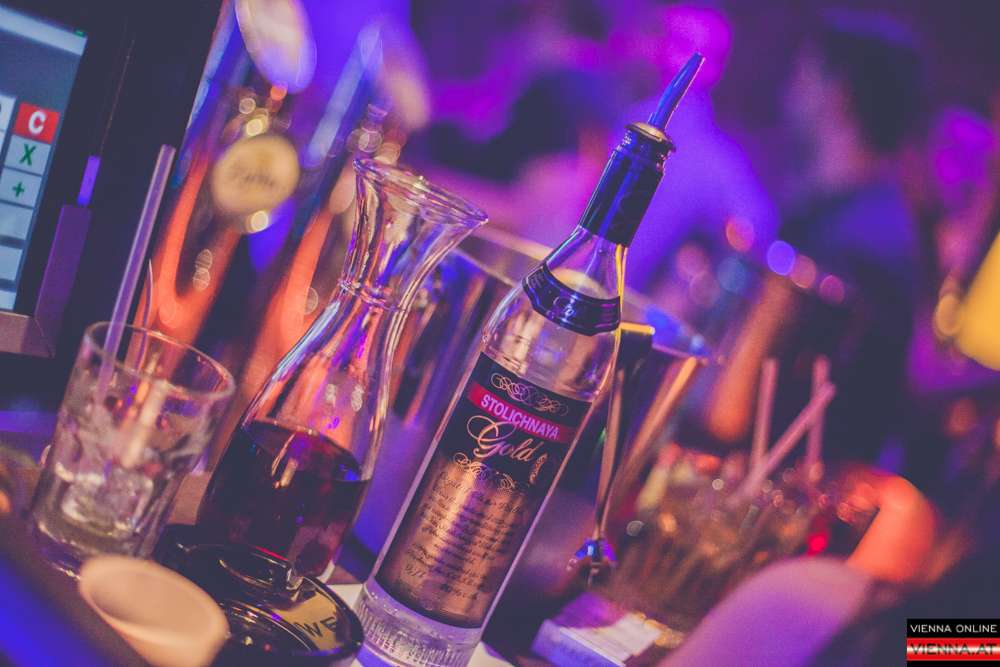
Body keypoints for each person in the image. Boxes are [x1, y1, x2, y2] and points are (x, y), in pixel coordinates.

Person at [776, 11, 926, 463]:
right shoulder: (849, 215)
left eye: (803, 77)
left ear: (838, 95)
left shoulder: (861, 243)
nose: (789, 92)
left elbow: (803, 410)